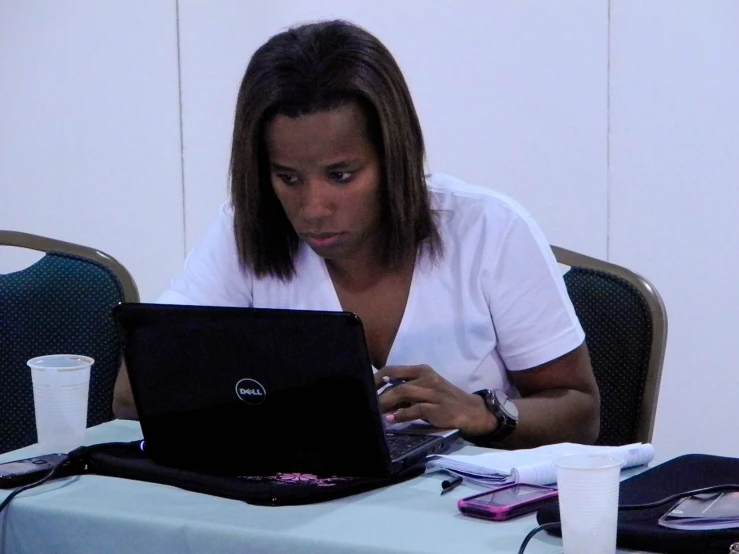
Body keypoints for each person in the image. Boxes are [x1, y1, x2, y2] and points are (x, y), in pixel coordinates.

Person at [113, 19, 600, 449]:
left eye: (341, 175)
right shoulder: (246, 231)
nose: (313, 208)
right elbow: (134, 393)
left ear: (394, 159)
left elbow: (580, 410)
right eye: (288, 177)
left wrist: (484, 415)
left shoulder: (491, 230)